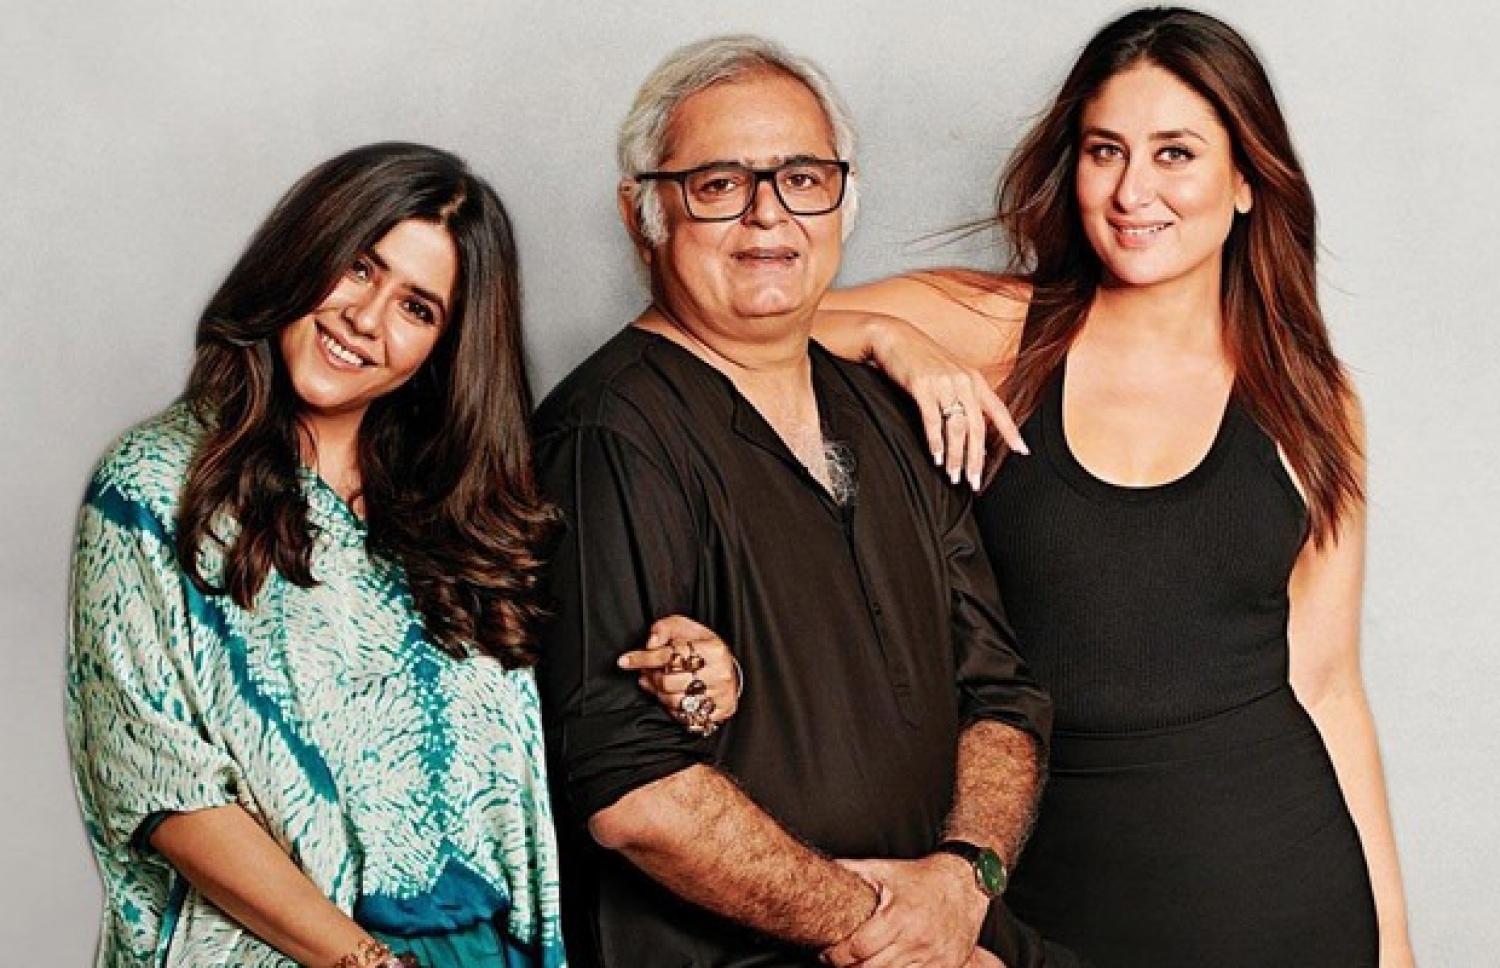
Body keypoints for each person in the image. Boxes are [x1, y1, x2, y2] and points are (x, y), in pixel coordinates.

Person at [800, 7, 1412, 967]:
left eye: (1176, 154)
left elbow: (1330, 687)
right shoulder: (998, 330)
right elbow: (728, 315)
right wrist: (893, 338)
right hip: (1043, 901)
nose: (1133, 191)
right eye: (1105, 152)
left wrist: (1396, 944)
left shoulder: (1309, 397)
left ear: (1247, 181)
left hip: (1287, 893)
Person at [532, 35, 1058, 968]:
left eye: (802, 178)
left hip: (957, 931)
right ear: (642, 211)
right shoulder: (609, 438)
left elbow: (1001, 696)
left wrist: (963, 882)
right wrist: (886, 933)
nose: (768, 214)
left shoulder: (888, 411)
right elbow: (632, 793)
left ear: (843, 201)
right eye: (719, 184)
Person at [66, 143, 569, 968]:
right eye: (359, 268)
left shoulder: (461, 516)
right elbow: (165, 788)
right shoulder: (153, 487)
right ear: (303, 254)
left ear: (444, 348)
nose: (366, 320)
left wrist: (693, 667)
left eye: (417, 308)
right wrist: (366, 963)